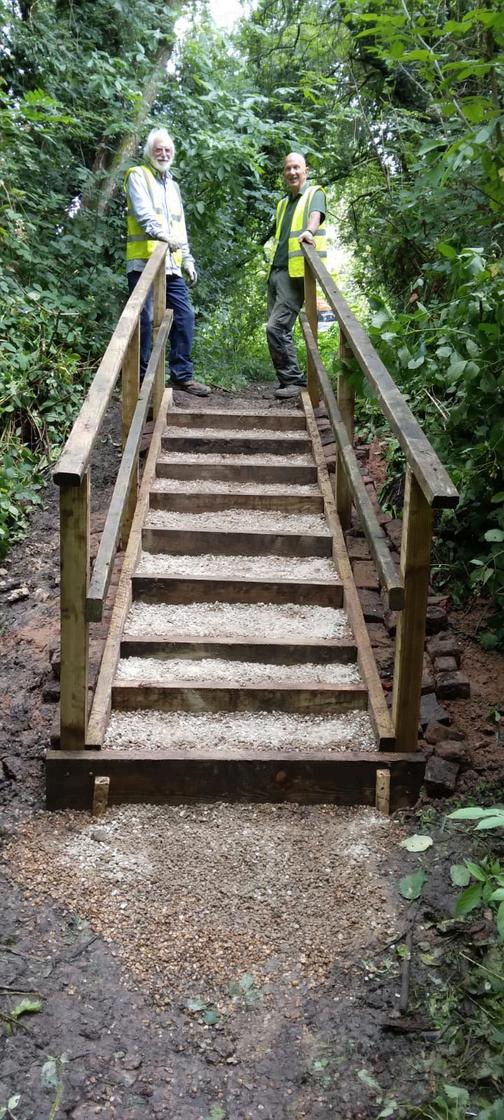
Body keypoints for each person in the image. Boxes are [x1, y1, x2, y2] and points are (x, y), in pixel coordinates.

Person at [125, 127, 210, 396]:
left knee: (185, 316)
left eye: (167, 150)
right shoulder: (138, 175)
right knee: (146, 319)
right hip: (144, 264)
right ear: (149, 152)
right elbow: (144, 215)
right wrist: (164, 236)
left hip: (171, 267)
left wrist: (188, 260)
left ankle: (182, 376)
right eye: (158, 149)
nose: (163, 154)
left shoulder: (173, 187)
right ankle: (142, 380)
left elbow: (179, 229)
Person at [267, 153, 327, 399]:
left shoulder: (314, 194)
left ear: (306, 171)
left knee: (276, 327)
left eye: (296, 168)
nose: (292, 172)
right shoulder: (283, 204)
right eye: (288, 168)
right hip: (276, 271)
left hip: (296, 273)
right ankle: (287, 382)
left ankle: (294, 381)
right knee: (276, 329)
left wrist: (309, 232)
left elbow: (316, 215)